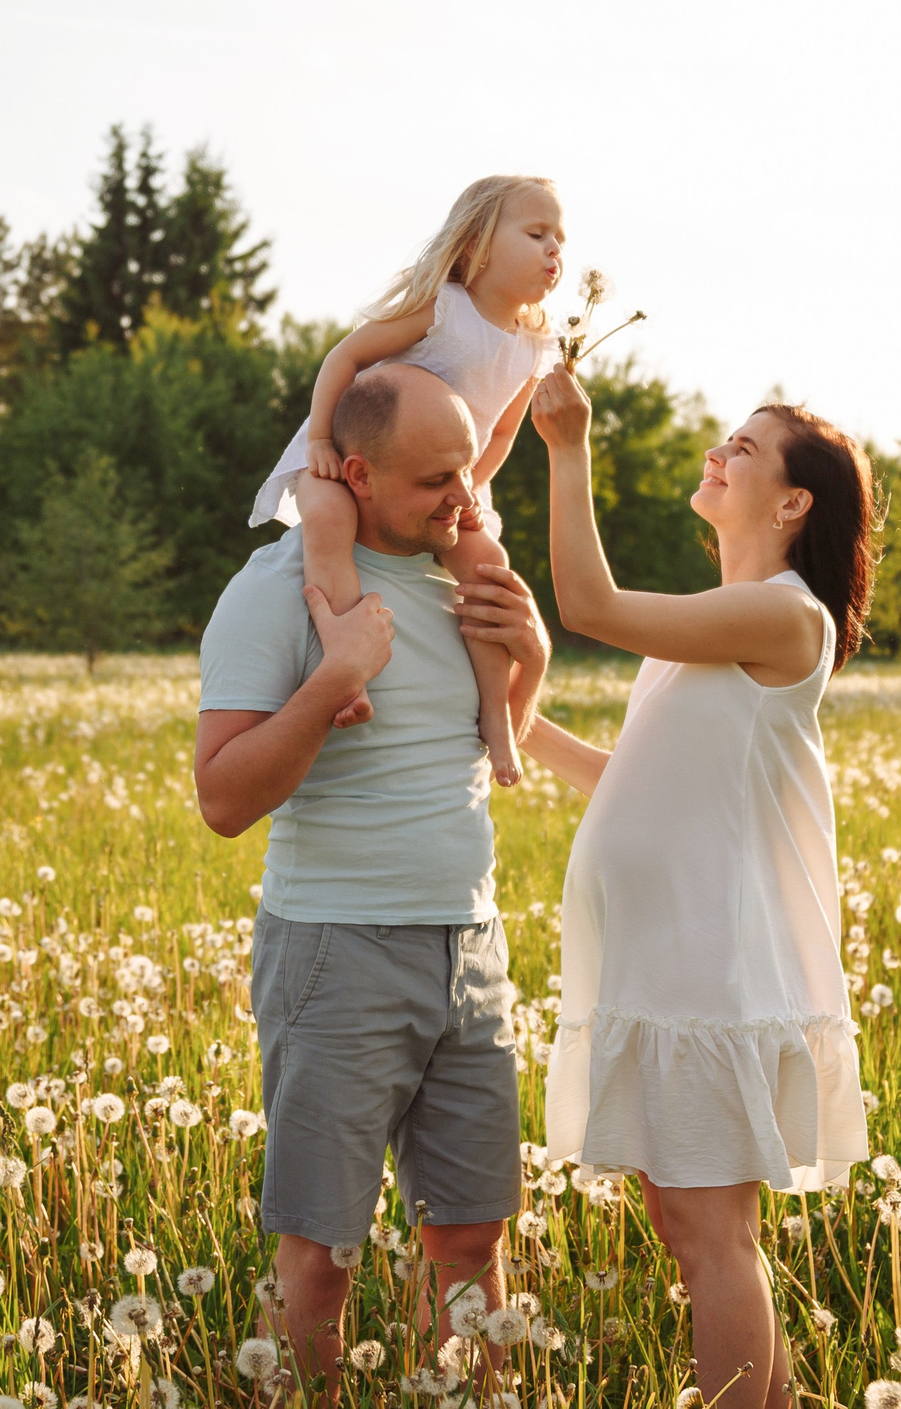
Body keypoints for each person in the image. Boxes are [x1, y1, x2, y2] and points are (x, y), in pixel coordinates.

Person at [521, 366, 879, 1409]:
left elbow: (585, 604)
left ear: (792, 502)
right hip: (668, 960)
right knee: (696, 1232)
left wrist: (567, 444)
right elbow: (635, 778)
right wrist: (518, 728)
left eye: (743, 448)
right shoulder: (725, 617)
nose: (716, 454)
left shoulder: (782, 617)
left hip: (710, 966)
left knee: (710, 1237)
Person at [196, 363, 553, 1399]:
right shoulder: (278, 589)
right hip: (335, 949)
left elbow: (488, 748)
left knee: (475, 1236)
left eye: (468, 471)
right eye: (432, 479)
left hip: (470, 949)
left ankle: (482, 1394)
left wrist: (531, 656)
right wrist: (333, 677)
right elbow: (222, 800)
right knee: (322, 1250)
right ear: (353, 472)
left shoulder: (464, 573)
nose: (463, 497)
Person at [250, 174, 565, 790]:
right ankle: (347, 671)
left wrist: (467, 490)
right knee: (331, 521)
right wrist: (319, 440)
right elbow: (345, 358)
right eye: (536, 233)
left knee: (488, 562)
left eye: (560, 238)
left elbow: (499, 436)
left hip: (448, 481)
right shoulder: (445, 308)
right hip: (348, 456)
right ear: (477, 244)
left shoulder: (535, 346)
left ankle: (497, 716)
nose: (554, 249)